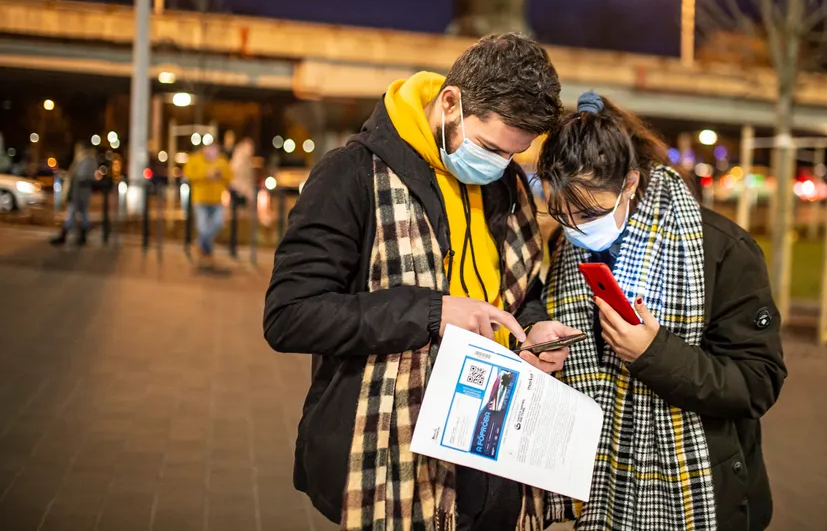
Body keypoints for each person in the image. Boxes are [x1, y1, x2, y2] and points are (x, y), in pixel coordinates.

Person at [264, 33, 576, 531]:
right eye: (490, 147)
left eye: (510, 156)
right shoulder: (350, 176)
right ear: (449, 102)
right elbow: (290, 316)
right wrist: (432, 312)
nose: (496, 166)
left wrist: (532, 327)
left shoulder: (506, 182)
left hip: (495, 452)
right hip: (395, 458)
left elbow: (520, 290)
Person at [536, 92, 787, 531]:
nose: (575, 227)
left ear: (631, 183)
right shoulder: (565, 246)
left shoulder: (721, 250)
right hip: (599, 487)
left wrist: (654, 353)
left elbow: (758, 383)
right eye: (562, 212)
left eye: (589, 212)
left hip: (702, 495)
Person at [183, 142, 232, 264]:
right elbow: (188, 175)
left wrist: (221, 175)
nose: (211, 152)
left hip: (217, 201)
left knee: (218, 223)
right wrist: (206, 175)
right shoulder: (195, 159)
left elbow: (230, 176)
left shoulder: (222, 161)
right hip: (200, 200)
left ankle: (199, 245)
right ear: (204, 149)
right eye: (209, 149)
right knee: (202, 227)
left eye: (214, 150)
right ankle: (208, 252)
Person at [50, 141, 97, 246]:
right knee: (81, 214)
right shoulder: (85, 160)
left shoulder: (86, 160)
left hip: (79, 192)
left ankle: (65, 236)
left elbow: (81, 176)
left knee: (73, 214)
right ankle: (80, 237)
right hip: (80, 192)